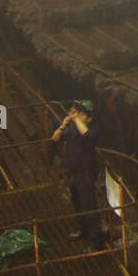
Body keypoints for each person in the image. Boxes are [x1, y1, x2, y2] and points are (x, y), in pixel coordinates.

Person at [52, 100, 103, 249]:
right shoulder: (73, 130)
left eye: (82, 114)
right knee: (78, 205)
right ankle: (83, 230)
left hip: (86, 173)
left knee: (89, 207)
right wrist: (63, 125)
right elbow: (55, 139)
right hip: (73, 172)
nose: (78, 116)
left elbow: (87, 136)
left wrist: (75, 119)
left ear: (89, 119)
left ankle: (96, 242)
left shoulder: (92, 132)